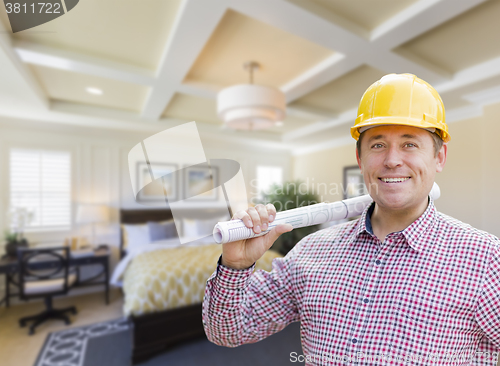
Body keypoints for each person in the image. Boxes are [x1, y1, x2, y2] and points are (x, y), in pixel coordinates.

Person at [202, 74, 500, 365]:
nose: (392, 160)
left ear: (439, 157)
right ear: (360, 159)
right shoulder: (311, 251)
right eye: (377, 145)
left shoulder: (485, 259)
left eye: (410, 144)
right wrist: (236, 266)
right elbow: (227, 333)